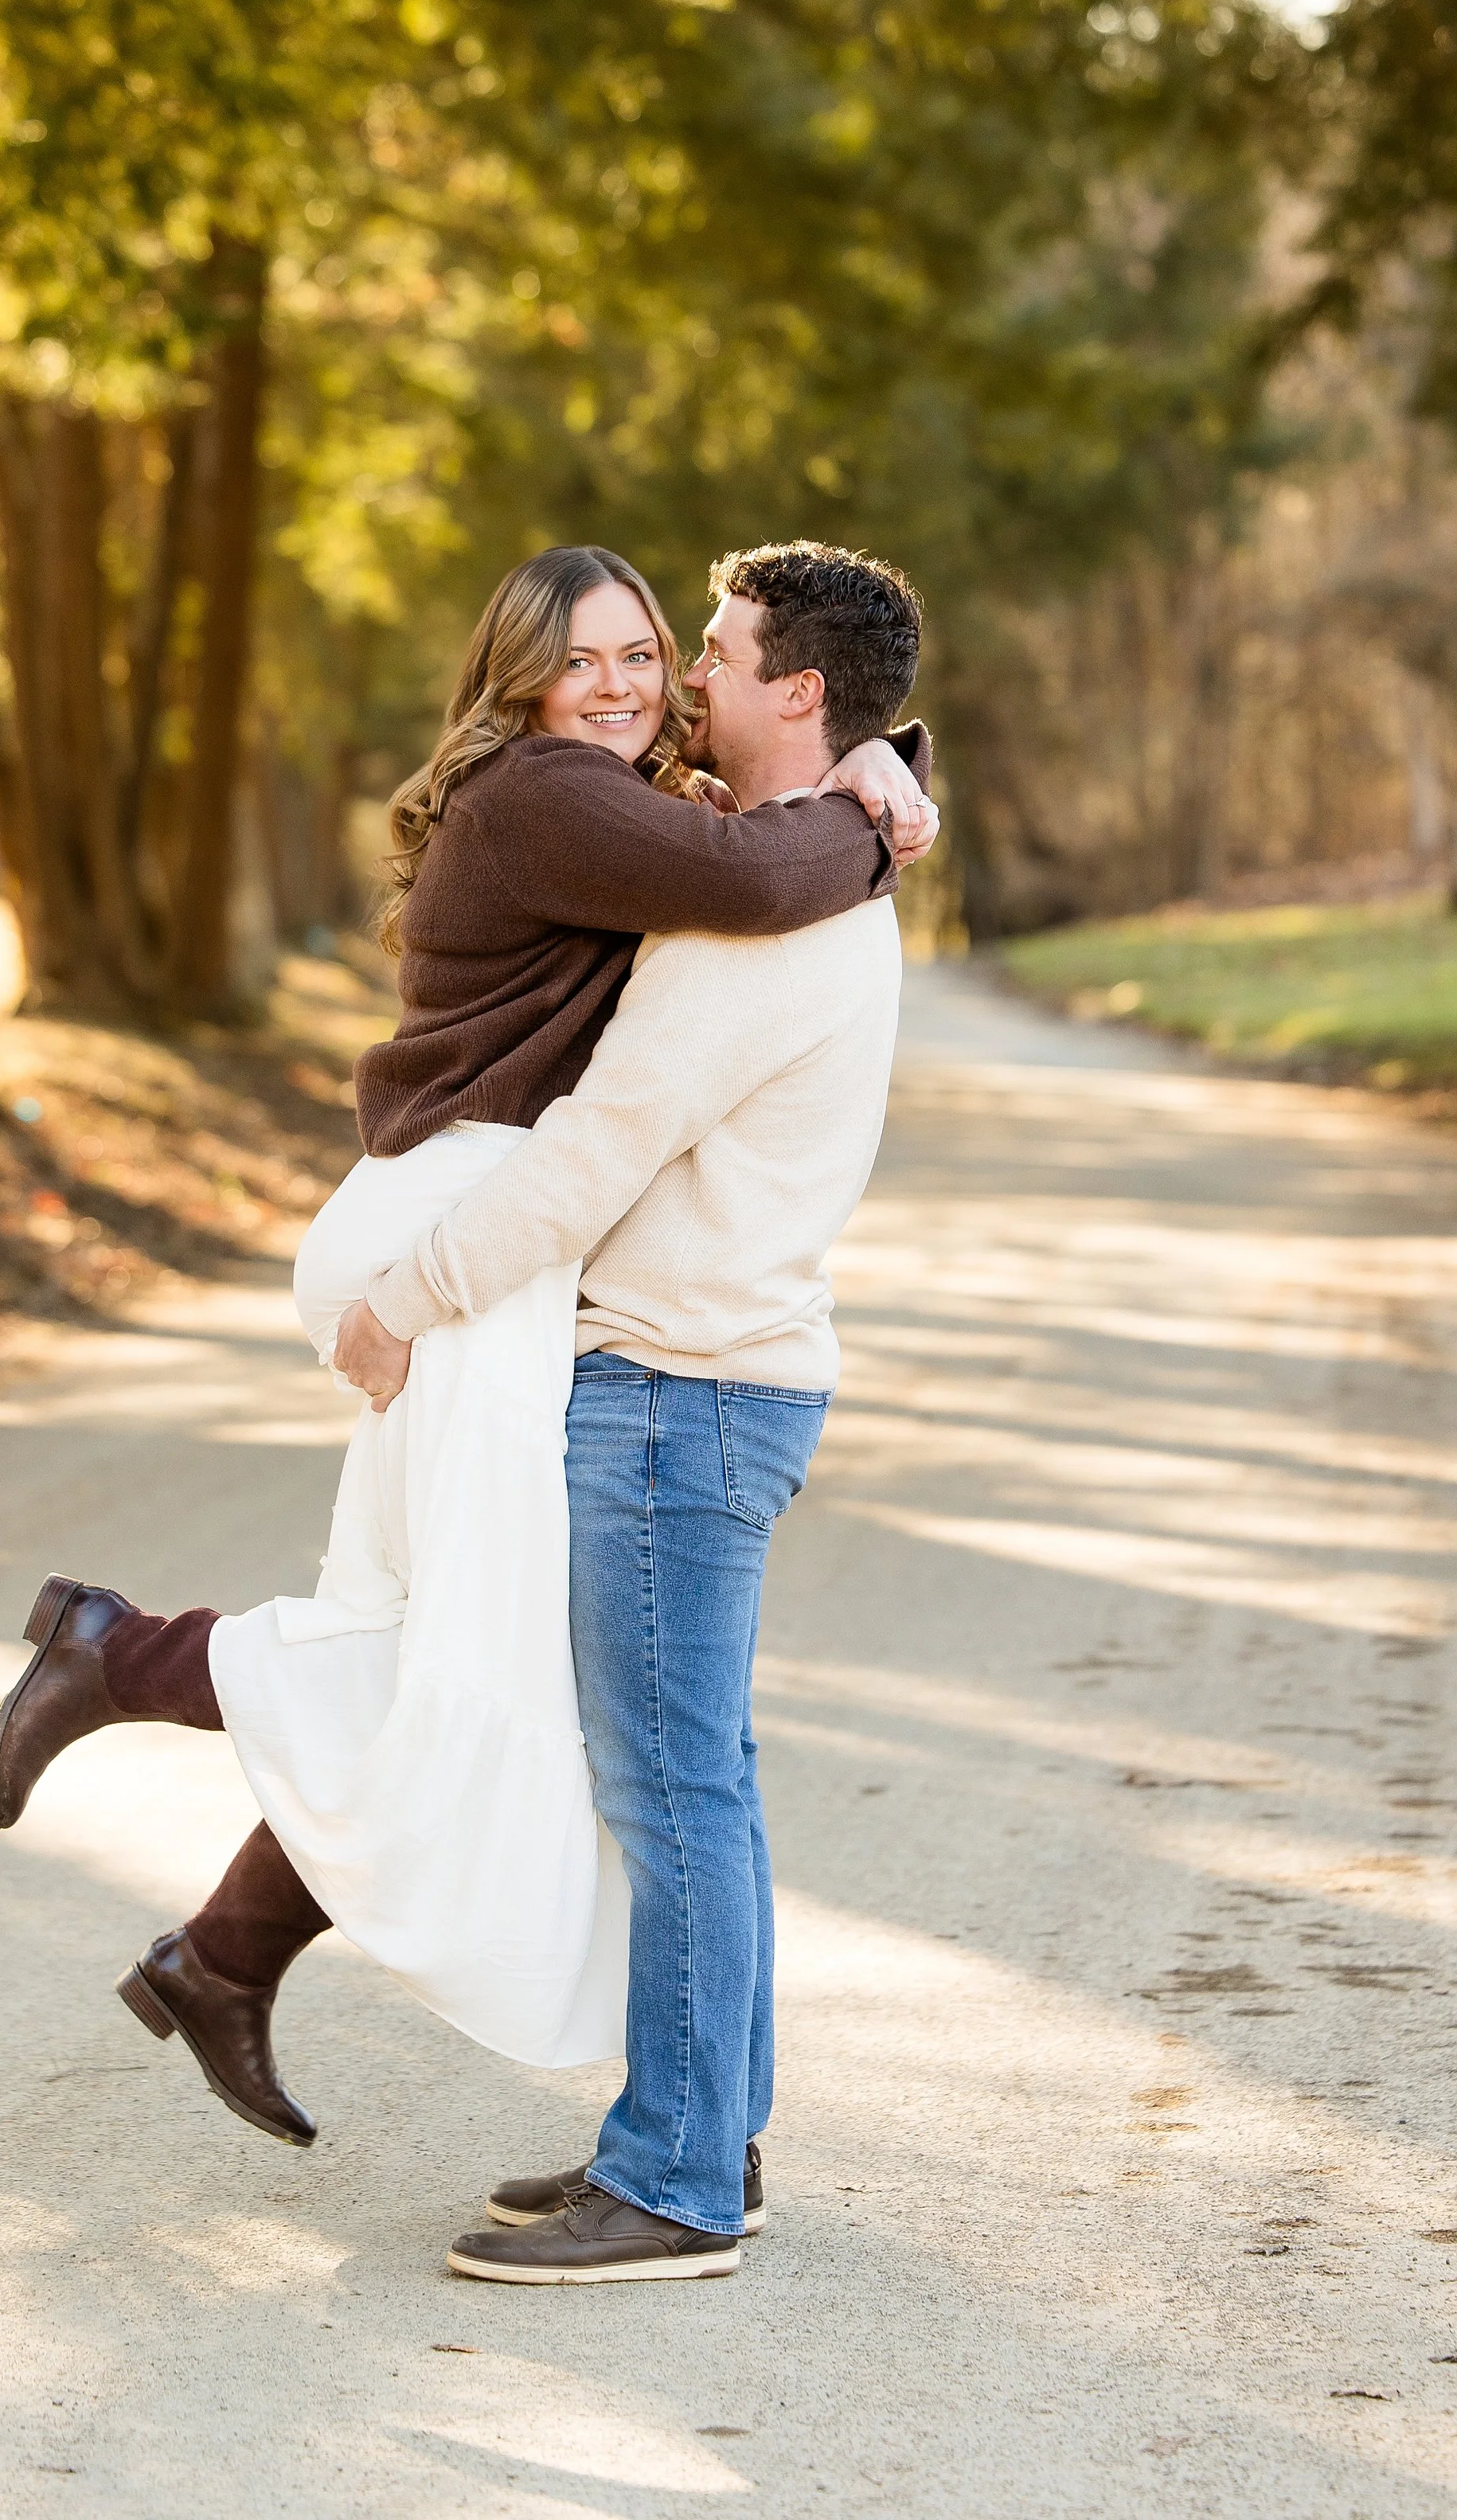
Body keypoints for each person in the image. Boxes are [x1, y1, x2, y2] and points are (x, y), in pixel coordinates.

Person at [0, 544, 933, 2143]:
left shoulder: (638, 792)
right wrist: (879, 794)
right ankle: (116, 1658)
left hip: (468, 1232)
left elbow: (769, 826)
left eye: (667, 649)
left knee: (454, 1647)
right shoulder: (553, 795)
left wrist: (880, 767)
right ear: (523, 679)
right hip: (447, 1230)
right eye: (601, 658)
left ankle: (219, 1940)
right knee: (458, 1658)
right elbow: (762, 880)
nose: (648, 681)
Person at [331, 538, 927, 2285]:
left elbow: (588, 1161)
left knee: (669, 1794)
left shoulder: (758, 928)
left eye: (715, 654)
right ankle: (698, 2143)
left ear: (796, 694)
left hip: (673, 1391)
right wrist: (896, 778)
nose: (684, 683)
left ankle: (670, 2182)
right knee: (698, 1785)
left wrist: (403, 1303)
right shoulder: (822, 879)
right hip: (725, 1383)